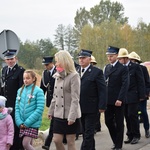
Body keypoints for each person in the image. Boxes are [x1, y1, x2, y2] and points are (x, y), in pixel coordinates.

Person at [48, 50, 81, 150]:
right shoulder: (57, 76)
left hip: (70, 114)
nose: (56, 63)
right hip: (58, 114)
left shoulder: (74, 76)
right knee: (56, 140)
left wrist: (72, 116)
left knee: (70, 142)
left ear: (64, 61)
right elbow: (55, 96)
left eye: (58, 61)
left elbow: (75, 99)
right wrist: (51, 111)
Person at [77, 49, 107, 150]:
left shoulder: (97, 72)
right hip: (80, 107)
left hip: (92, 108)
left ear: (89, 59)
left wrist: (102, 106)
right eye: (80, 58)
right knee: (85, 131)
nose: (81, 60)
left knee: (89, 133)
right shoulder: (76, 71)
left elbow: (102, 90)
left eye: (83, 58)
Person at [117, 48, 145, 144]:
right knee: (126, 116)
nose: (119, 60)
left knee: (132, 115)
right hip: (124, 96)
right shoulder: (120, 68)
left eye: (120, 59)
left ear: (126, 58)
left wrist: (142, 95)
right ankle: (130, 135)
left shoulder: (135, 67)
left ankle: (136, 135)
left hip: (133, 94)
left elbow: (140, 81)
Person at [104, 46, 129, 150]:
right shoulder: (107, 68)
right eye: (108, 56)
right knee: (108, 121)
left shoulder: (123, 68)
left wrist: (120, 99)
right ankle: (116, 140)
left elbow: (125, 84)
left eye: (111, 56)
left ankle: (118, 145)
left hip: (118, 100)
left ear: (116, 56)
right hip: (108, 100)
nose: (109, 58)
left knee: (119, 122)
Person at [0, 49, 25, 150]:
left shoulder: (20, 71)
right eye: (8, 59)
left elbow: (21, 89)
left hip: (15, 104)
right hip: (5, 105)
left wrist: (19, 104)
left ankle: (17, 147)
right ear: (5, 60)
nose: (10, 61)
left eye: (12, 59)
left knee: (15, 127)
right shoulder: (4, 70)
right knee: (5, 127)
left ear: (16, 59)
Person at [15, 70, 45, 150]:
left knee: (25, 144)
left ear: (33, 79)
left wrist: (28, 122)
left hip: (32, 123)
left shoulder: (38, 91)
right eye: (24, 78)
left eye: (28, 78)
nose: (25, 80)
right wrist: (19, 122)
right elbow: (17, 107)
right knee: (29, 144)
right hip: (22, 122)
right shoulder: (19, 91)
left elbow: (40, 108)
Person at [128, 51, 150, 138]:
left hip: (142, 94)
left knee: (143, 112)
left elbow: (147, 82)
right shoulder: (128, 68)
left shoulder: (143, 68)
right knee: (133, 114)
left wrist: (146, 93)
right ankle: (133, 132)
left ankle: (147, 129)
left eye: (132, 60)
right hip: (132, 95)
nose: (131, 61)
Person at [40, 56, 56, 150]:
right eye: (44, 65)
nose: (46, 67)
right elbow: (43, 88)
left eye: (47, 64)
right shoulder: (44, 73)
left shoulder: (58, 71)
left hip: (59, 100)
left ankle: (48, 142)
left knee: (54, 122)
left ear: (51, 63)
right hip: (51, 102)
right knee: (54, 121)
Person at [90, 55, 101, 133]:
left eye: (92, 63)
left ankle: (97, 126)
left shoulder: (97, 72)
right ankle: (95, 127)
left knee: (96, 114)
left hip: (95, 97)